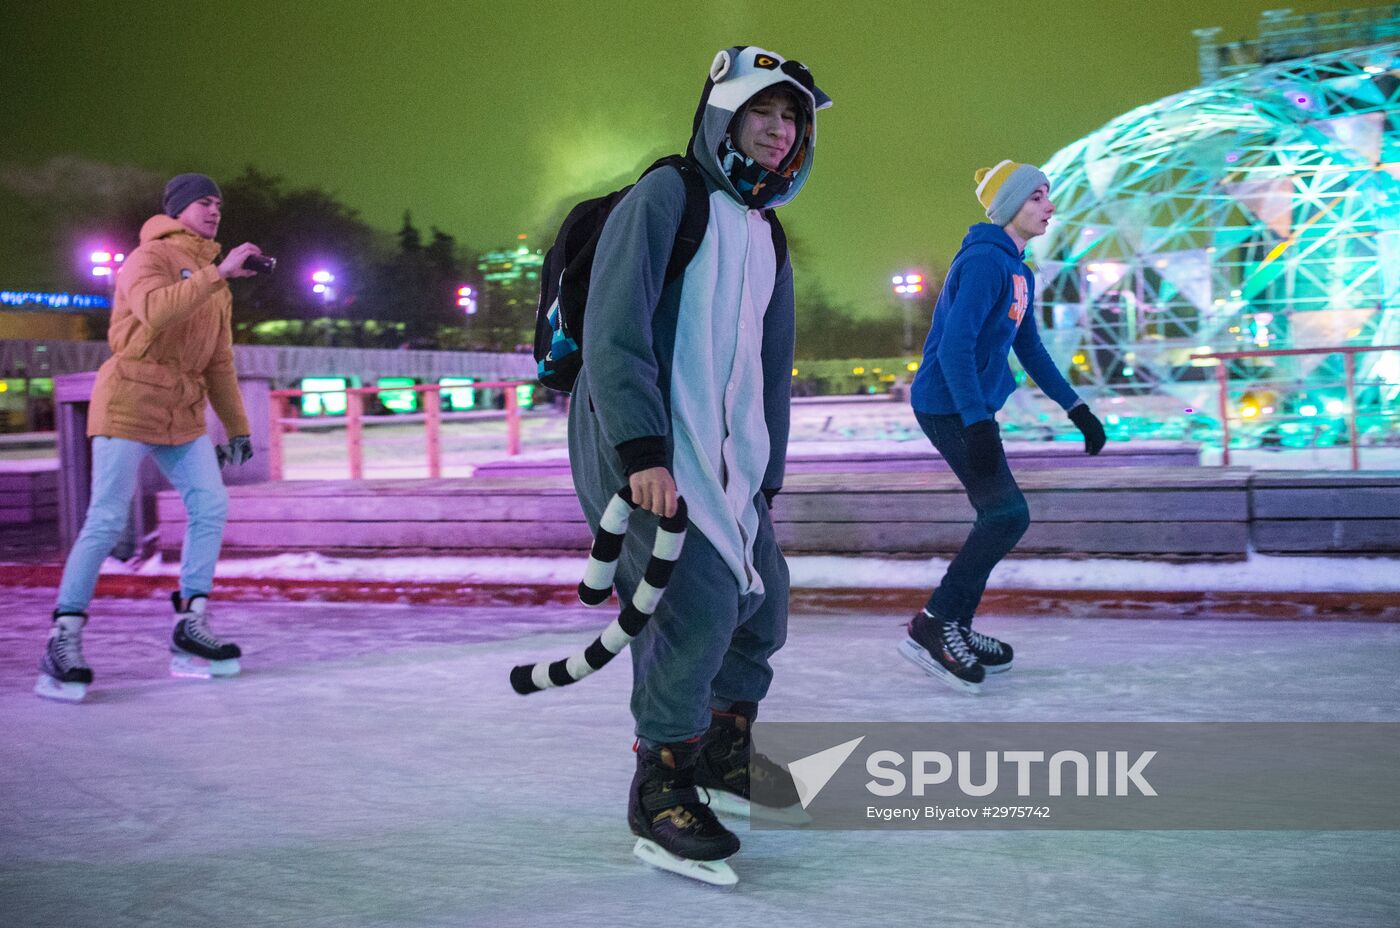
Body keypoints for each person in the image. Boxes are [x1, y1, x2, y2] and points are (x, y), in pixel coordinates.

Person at [567, 46, 830, 880]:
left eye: (792, 119)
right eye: (764, 113)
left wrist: (767, 476)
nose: (779, 131)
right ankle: (662, 780)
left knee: (765, 602)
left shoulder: (766, 230)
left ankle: (722, 749)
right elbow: (613, 330)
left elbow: (767, 365)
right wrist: (641, 452)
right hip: (638, 442)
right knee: (694, 604)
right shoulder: (668, 197)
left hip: (725, 458)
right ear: (724, 115)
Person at [35, 173, 264, 702]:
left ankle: (191, 622)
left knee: (210, 505)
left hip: (180, 412)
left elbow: (218, 362)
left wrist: (237, 426)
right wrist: (217, 274)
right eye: (205, 203)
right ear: (179, 209)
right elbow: (155, 311)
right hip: (130, 398)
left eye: (219, 205)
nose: (214, 211)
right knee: (107, 518)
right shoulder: (147, 258)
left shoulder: (213, 279)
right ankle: (62, 637)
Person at [903, 160, 1106, 695]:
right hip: (947, 405)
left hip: (969, 409)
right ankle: (936, 623)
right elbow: (954, 347)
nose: (1050, 207)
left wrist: (1076, 407)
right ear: (1010, 204)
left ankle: (953, 625)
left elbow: (1029, 348)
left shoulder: (1020, 271)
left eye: (1048, 197)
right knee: (1007, 513)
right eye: (1038, 197)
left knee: (999, 515)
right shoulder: (983, 264)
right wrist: (977, 423)